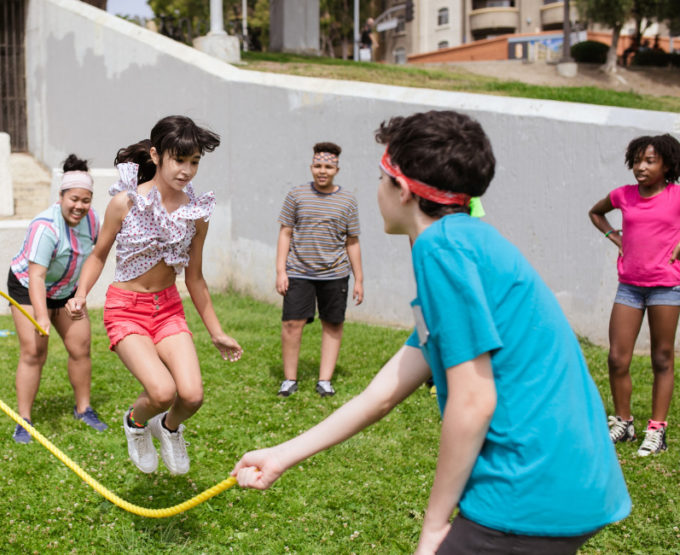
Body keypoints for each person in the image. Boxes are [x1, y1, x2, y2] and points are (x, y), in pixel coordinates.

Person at [232, 111, 630, 554]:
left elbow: (473, 400)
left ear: (402, 190)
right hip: (574, 479)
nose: (378, 189)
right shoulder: (467, 241)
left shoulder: (441, 250)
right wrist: (283, 454)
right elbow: (383, 392)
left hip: (528, 487)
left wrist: (434, 526)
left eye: (381, 178)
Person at [67, 115, 243, 476]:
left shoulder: (196, 213)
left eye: (194, 162)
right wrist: (81, 294)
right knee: (162, 392)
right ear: (156, 155)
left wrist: (217, 332)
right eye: (179, 160)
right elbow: (98, 255)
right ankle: (135, 423)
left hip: (168, 310)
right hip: (126, 310)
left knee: (191, 395)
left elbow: (195, 278)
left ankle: (168, 428)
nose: (187, 170)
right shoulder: (125, 202)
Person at [588, 133, 680, 456]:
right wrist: (615, 238)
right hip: (629, 286)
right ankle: (624, 423)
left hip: (666, 287)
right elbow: (595, 212)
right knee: (617, 358)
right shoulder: (623, 195)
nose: (641, 167)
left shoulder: (676, 195)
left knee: (662, 357)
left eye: (649, 161)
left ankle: (656, 430)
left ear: (667, 165)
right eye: (637, 161)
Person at [6, 154, 108, 444]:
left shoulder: (92, 221)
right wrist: (41, 317)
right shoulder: (45, 227)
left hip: (66, 290)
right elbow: (36, 276)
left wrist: (80, 295)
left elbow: (95, 258)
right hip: (28, 287)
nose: (79, 206)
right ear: (61, 196)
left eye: (85, 200)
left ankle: (84, 409)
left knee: (81, 346)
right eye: (73, 199)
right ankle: (24, 420)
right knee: (34, 351)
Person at [275, 142, 364, 398]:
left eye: (328, 166)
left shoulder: (348, 200)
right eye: (317, 165)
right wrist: (281, 271)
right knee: (291, 323)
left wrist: (359, 279)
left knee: (333, 324)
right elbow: (285, 232)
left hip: (335, 274)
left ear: (337, 169)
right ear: (311, 166)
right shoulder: (296, 195)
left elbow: (352, 241)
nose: (322, 171)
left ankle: (325, 381)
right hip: (298, 271)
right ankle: (289, 380)